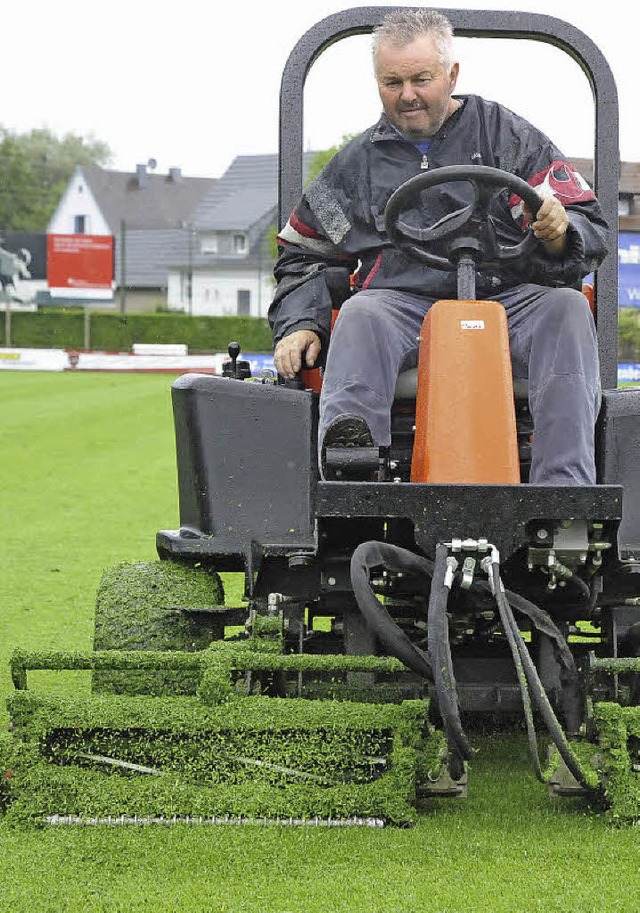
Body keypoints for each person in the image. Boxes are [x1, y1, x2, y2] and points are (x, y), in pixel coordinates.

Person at [269, 9, 611, 484]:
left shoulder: (508, 138)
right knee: (360, 315)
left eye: (420, 79)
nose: (407, 95)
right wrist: (301, 322)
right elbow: (304, 251)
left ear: (451, 75)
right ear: (378, 83)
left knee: (567, 309)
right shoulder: (356, 167)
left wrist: (559, 230)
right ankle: (351, 485)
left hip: (509, 300)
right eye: (392, 82)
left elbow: (585, 222)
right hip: (402, 307)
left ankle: (564, 494)